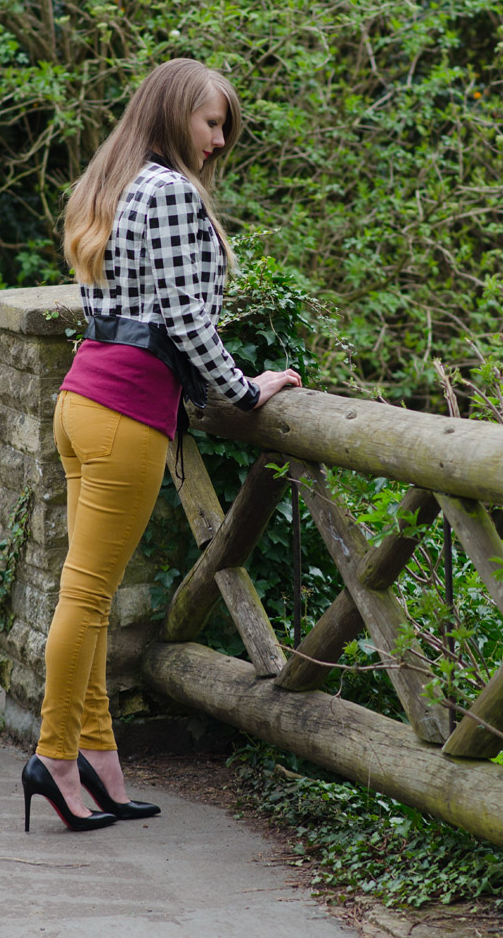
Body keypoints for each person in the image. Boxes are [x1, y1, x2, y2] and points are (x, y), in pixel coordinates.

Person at [21, 58, 302, 832]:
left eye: (225, 129)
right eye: (212, 123)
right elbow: (188, 324)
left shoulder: (109, 184)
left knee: (87, 592)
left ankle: (101, 762)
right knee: (86, 596)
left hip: (81, 399)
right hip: (126, 412)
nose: (219, 141)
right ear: (174, 111)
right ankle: (53, 758)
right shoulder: (171, 193)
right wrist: (248, 392)